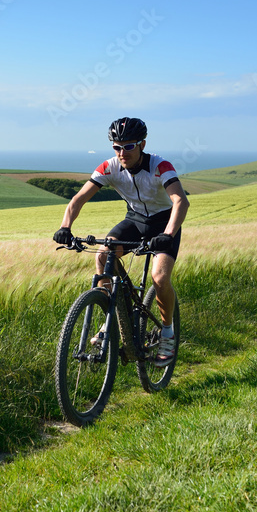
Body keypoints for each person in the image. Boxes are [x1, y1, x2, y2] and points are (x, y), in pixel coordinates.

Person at [52, 117, 189, 363]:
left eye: (128, 146)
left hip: (164, 223)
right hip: (134, 220)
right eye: (117, 146)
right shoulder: (109, 167)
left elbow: (180, 201)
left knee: (159, 278)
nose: (122, 152)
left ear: (142, 145)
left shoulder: (160, 166)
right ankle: (112, 321)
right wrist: (65, 227)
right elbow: (79, 199)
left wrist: (168, 235)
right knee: (104, 256)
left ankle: (167, 333)